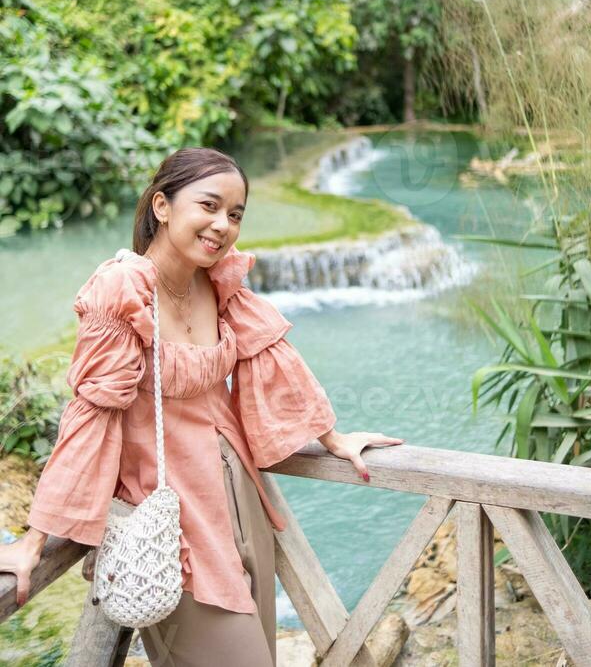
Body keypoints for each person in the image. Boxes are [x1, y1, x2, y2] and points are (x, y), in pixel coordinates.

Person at [0, 146, 404, 666]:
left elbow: (271, 358)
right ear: (162, 207)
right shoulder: (121, 289)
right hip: (170, 518)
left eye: (235, 214)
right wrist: (34, 543)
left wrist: (333, 438)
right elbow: (91, 415)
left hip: (243, 500)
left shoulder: (217, 279)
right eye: (209, 206)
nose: (223, 225)